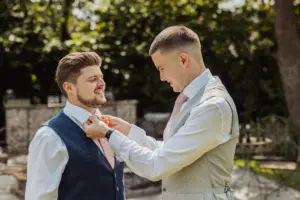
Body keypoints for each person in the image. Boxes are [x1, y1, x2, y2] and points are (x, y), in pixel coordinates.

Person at [84, 26, 239, 200]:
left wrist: (109, 135)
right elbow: (168, 151)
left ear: (183, 60)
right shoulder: (193, 99)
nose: (161, 78)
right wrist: (128, 131)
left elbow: (157, 166)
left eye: (161, 68)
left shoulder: (212, 106)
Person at [25, 52, 125, 200]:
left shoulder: (112, 127)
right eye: (93, 79)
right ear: (69, 88)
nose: (102, 84)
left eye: (101, 77)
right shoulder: (49, 137)